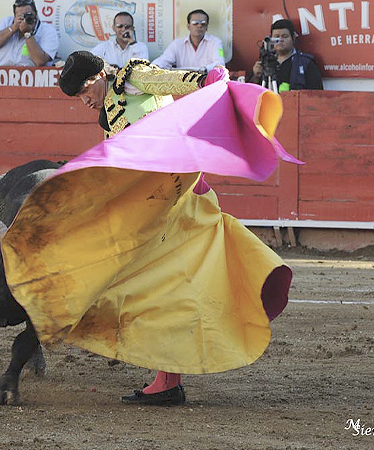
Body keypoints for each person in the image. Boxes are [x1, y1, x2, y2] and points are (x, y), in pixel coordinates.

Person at [57, 51, 230, 405]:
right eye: (78, 97)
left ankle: (169, 379)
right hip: (154, 207)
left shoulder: (132, 79)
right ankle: (168, 380)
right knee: (159, 288)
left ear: (99, 77)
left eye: (84, 92)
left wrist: (210, 79)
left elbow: (180, 81)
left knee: (157, 286)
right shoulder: (109, 117)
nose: (83, 101)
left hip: (181, 200)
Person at [250, 19, 323, 91]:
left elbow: (317, 94)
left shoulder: (306, 63)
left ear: (293, 38)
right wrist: (256, 76)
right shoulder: (266, 63)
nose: (280, 40)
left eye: (285, 36)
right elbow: (253, 94)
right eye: (276, 37)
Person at [0, 0, 58, 67]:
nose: (25, 19)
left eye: (29, 15)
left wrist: (27, 33)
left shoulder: (48, 31)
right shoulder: (7, 22)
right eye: (21, 16)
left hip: (30, 77)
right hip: (1, 75)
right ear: (15, 16)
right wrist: (13, 28)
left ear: (36, 14)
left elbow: (40, 61)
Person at [151, 9, 226, 73]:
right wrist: (153, 67)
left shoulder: (216, 42)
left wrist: (204, 69)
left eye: (203, 23)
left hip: (206, 82)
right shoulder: (177, 44)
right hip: (183, 83)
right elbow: (164, 60)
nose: (199, 26)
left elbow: (220, 64)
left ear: (206, 27)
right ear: (188, 26)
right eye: (195, 23)